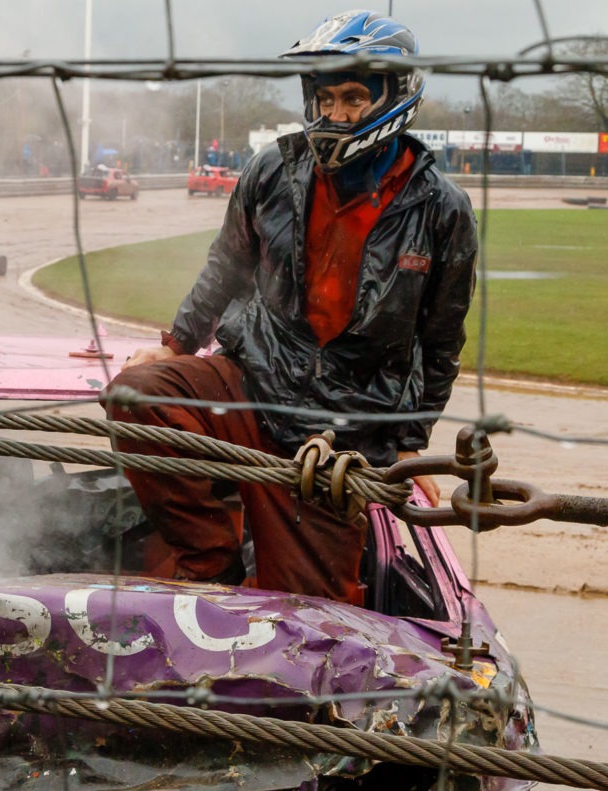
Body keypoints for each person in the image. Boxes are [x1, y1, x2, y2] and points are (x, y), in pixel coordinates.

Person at [106, 10, 477, 606]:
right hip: (254, 380)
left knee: (313, 618)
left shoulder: (443, 209)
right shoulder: (271, 170)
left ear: (398, 94)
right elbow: (225, 266)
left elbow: (441, 339)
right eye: (325, 97)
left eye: (353, 97)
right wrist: (176, 343)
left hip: (346, 430)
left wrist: (409, 439)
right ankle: (212, 563)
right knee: (135, 394)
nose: (335, 114)